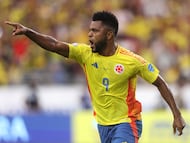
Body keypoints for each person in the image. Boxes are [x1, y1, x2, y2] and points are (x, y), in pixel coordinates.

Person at [5, 11, 185, 143]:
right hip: (102, 125)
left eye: (95, 31)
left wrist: (177, 115)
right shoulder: (84, 54)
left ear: (109, 35)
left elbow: (160, 83)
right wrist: (28, 32)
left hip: (127, 123)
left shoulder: (132, 61)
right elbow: (54, 45)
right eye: (89, 30)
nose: (89, 34)